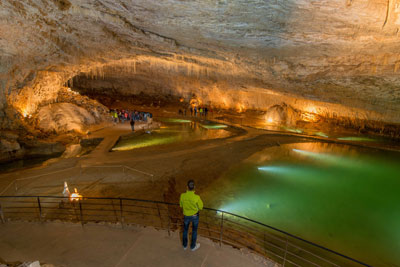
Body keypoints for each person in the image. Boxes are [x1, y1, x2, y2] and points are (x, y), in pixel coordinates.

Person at [180, 180, 203, 251]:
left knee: (185, 230)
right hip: (195, 216)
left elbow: (181, 205)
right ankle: (193, 247)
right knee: (194, 231)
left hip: (186, 216)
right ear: (194, 187)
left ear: (187, 187)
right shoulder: (197, 197)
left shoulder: (182, 196)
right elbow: (201, 207)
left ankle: (184, 245)